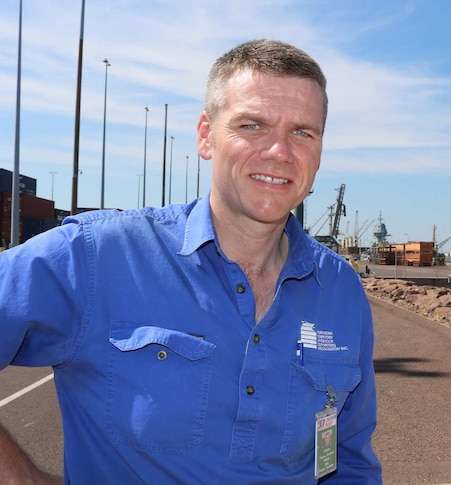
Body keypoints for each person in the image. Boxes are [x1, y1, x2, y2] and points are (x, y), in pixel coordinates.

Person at [0, 39, 382, 483]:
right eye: (253, 125)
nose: (280, 151)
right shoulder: (97, 256)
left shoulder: (338, 290)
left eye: (302, 132)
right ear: (206, 136)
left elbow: (346, 458)